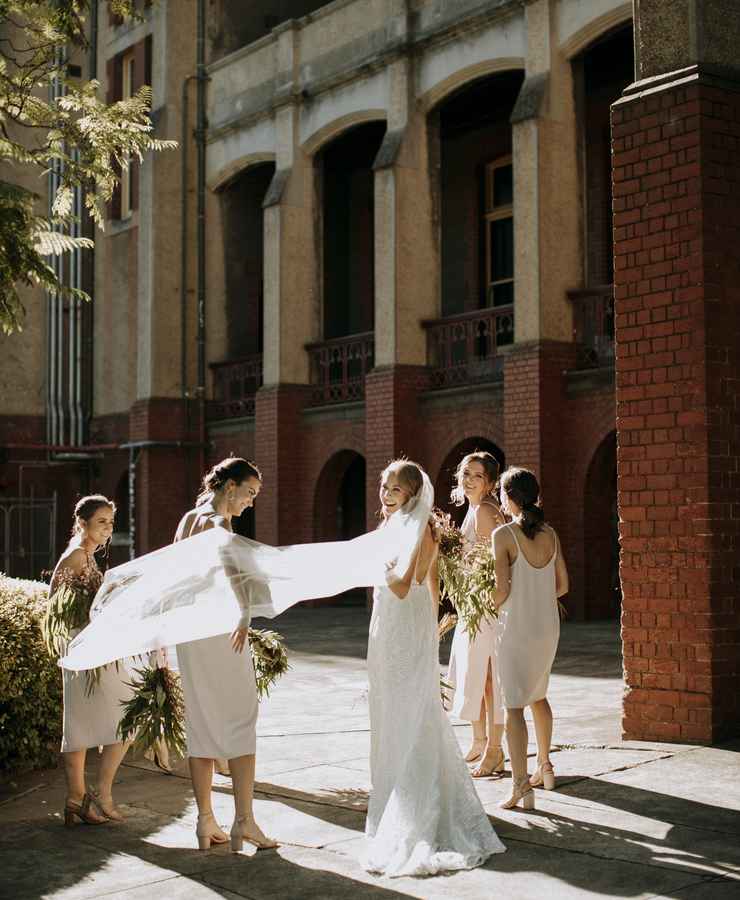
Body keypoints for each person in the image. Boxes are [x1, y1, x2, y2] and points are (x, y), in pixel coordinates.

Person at [364, 459, 505, 877]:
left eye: (394, 489)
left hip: (405, 624)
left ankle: (420, 803)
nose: (386, 495)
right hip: (388, 624)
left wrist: (377, 569)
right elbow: (430, 587)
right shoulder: (391, 526)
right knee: (390, 707)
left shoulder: (422, 527)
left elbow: (409, 581)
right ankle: (392, 792)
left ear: (411, 492)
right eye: (384, 487)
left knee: (414, 708)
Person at [172, 457, 277, 852]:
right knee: (240, 718)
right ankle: (244, 822)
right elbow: (233, 567)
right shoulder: (218, 522)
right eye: (249, 493)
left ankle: (205, 822)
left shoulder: (186, 520)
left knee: (200, 722)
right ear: (229, 486)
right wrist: (244, 612)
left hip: (190, 632)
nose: (250, 502)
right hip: (219, 628)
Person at [49, 495, 133, 826]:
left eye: (112, 523)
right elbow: (56, 607)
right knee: (124, 716)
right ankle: (91, 796)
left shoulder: (84, 555)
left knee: (92, 724)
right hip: (84, 652)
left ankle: (80, 798)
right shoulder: (75, 557)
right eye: (102, 522)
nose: (109, 529)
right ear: (82, 523)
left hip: (91, 649)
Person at [489, 467, 569, 810]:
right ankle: (545, 767)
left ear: (508, 498)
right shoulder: (550, 534)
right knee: (539, 694)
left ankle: (522, 786)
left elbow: (501, 590)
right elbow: (563, 586)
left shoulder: (503, 535)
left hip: (516, 627)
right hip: (547, 627)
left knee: (514, 706)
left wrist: (479, 604)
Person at [445, 451, 507, 777]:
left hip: (486, 607)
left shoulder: (485, 511)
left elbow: (495, 565)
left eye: (477, 475)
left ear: (491, 483)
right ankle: (480, 741)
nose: (468, 480)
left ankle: (495, 750)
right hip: (472, 604)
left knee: (489, 678)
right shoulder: (472, 508)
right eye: (465, 473)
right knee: (476, 675)